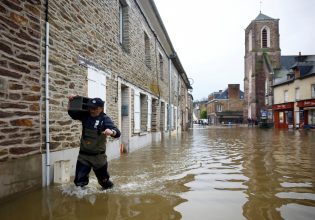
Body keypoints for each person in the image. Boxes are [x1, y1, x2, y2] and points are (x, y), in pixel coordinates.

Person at [68, 95, 121, 189]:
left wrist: (111, 132)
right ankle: (81, 201)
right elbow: (72, 113)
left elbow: (117, 133)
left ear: (101, 108)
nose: (92, 110)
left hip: (98, 158)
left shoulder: (105, 119)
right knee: (79, 183)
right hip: (83, 156)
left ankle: (111, 191)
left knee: (104, 182)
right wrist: (71, 101)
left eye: (95, 108)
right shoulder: (85, 116)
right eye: (90, 108)